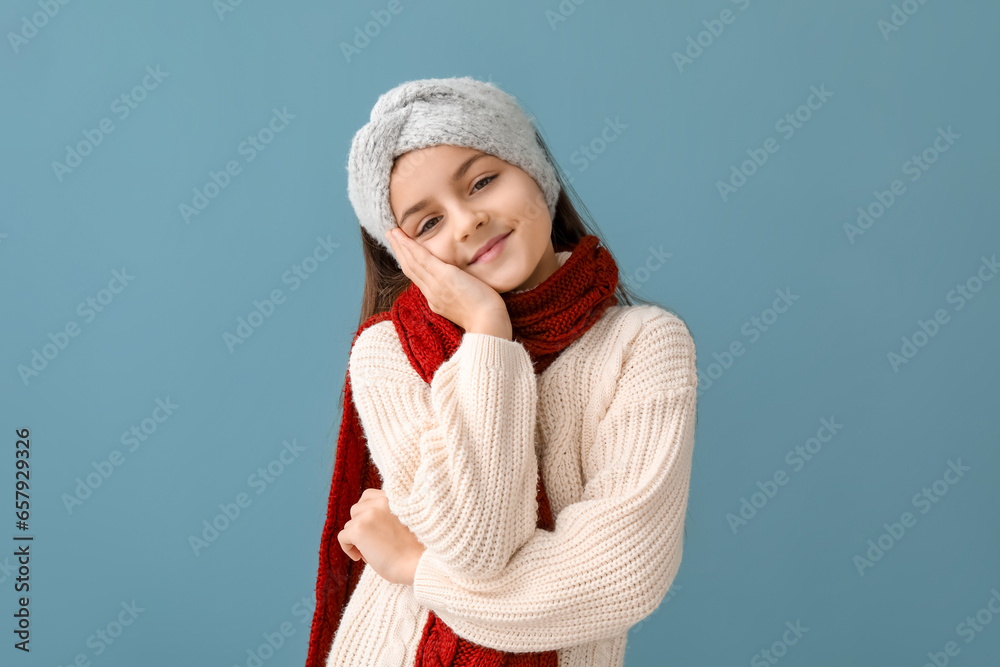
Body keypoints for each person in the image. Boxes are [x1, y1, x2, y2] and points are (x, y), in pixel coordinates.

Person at [306, 76, 698, 667]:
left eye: (483, 181)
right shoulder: (390, 352)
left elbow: (621, 575)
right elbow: (476, 543)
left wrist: (415, 567)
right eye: (428, 223)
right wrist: (490, 334)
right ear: (404, 255)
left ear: (535, 172)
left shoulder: (643, 344)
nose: (466, 221)